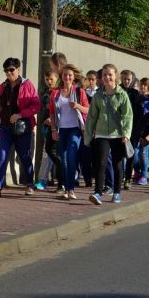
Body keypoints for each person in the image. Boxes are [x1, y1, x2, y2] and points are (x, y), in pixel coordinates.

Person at [0, 58, 40, 197]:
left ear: (18, 69)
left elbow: (36, 106)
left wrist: (20, 114)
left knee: (24, 156)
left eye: (11, 70)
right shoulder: (2, 86)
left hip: (22, 127)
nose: (9, 73)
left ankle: (30, 184)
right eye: (6, 71)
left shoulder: (27, 85)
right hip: (5, 127)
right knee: (2, 156)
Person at [84, 64, 133, 205]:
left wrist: (127, 134)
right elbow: (92, 117)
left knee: (117, 165)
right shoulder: (98, 95)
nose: (107, 77)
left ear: (115, 76)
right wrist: (88, 136)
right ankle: (98, 193)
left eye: (110, 74)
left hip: (118, 135)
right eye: (104, 74)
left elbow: (128, 116)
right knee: (100, 164)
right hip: (101, 134)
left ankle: (117, 192)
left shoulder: (122, 94)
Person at [49, 64, 89, 200]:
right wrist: (54, 129)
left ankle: (71, 189)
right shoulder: (55, 93)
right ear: (61, 76)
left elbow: (88, 110)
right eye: (65, 75)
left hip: (75, 129)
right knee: (64, 160)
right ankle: (67, 188)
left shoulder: (79, 92)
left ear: (74, 77)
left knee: (71, 156)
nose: (67, 77)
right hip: (61, 129)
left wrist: (77, 106)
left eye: (70, 75)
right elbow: (52, 113)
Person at [35, 69, 61, 191]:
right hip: (47, 128)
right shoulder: (46, 93)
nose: (49, 81)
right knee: (48, 153)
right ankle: (44, 180)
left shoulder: (59, 93)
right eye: (47, 79)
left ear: (57, 79)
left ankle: (62, 178)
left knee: (52, 154)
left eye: (51, 79)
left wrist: (53, 120)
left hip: (58, 128)